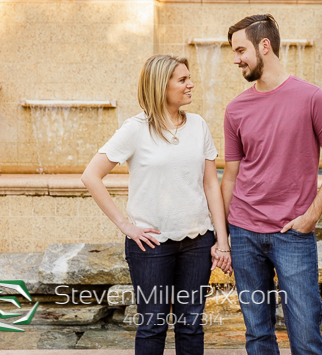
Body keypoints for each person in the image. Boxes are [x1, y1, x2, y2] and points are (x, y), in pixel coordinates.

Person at [81, 54, 232, 355]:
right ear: (161, 86)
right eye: (183, 80)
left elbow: (210, 183)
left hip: (198, 242)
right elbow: (91, 176)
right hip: (151, 246)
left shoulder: (198, 125)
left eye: (189, 78)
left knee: (191, 325)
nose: (191, 84)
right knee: (152, 326)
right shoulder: (135, 129)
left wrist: (222, 240)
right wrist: (126, 226)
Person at [219, 14, 322, 355]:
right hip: (244, 233)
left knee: (305, 334)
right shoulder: (235, 109)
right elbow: (230, 175)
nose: (236, 59)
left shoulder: (312, 98)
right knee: (258, 335)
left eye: (240, 50)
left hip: (293, 233)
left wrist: (312, 215)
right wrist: (226, 235)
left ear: (264, 46)